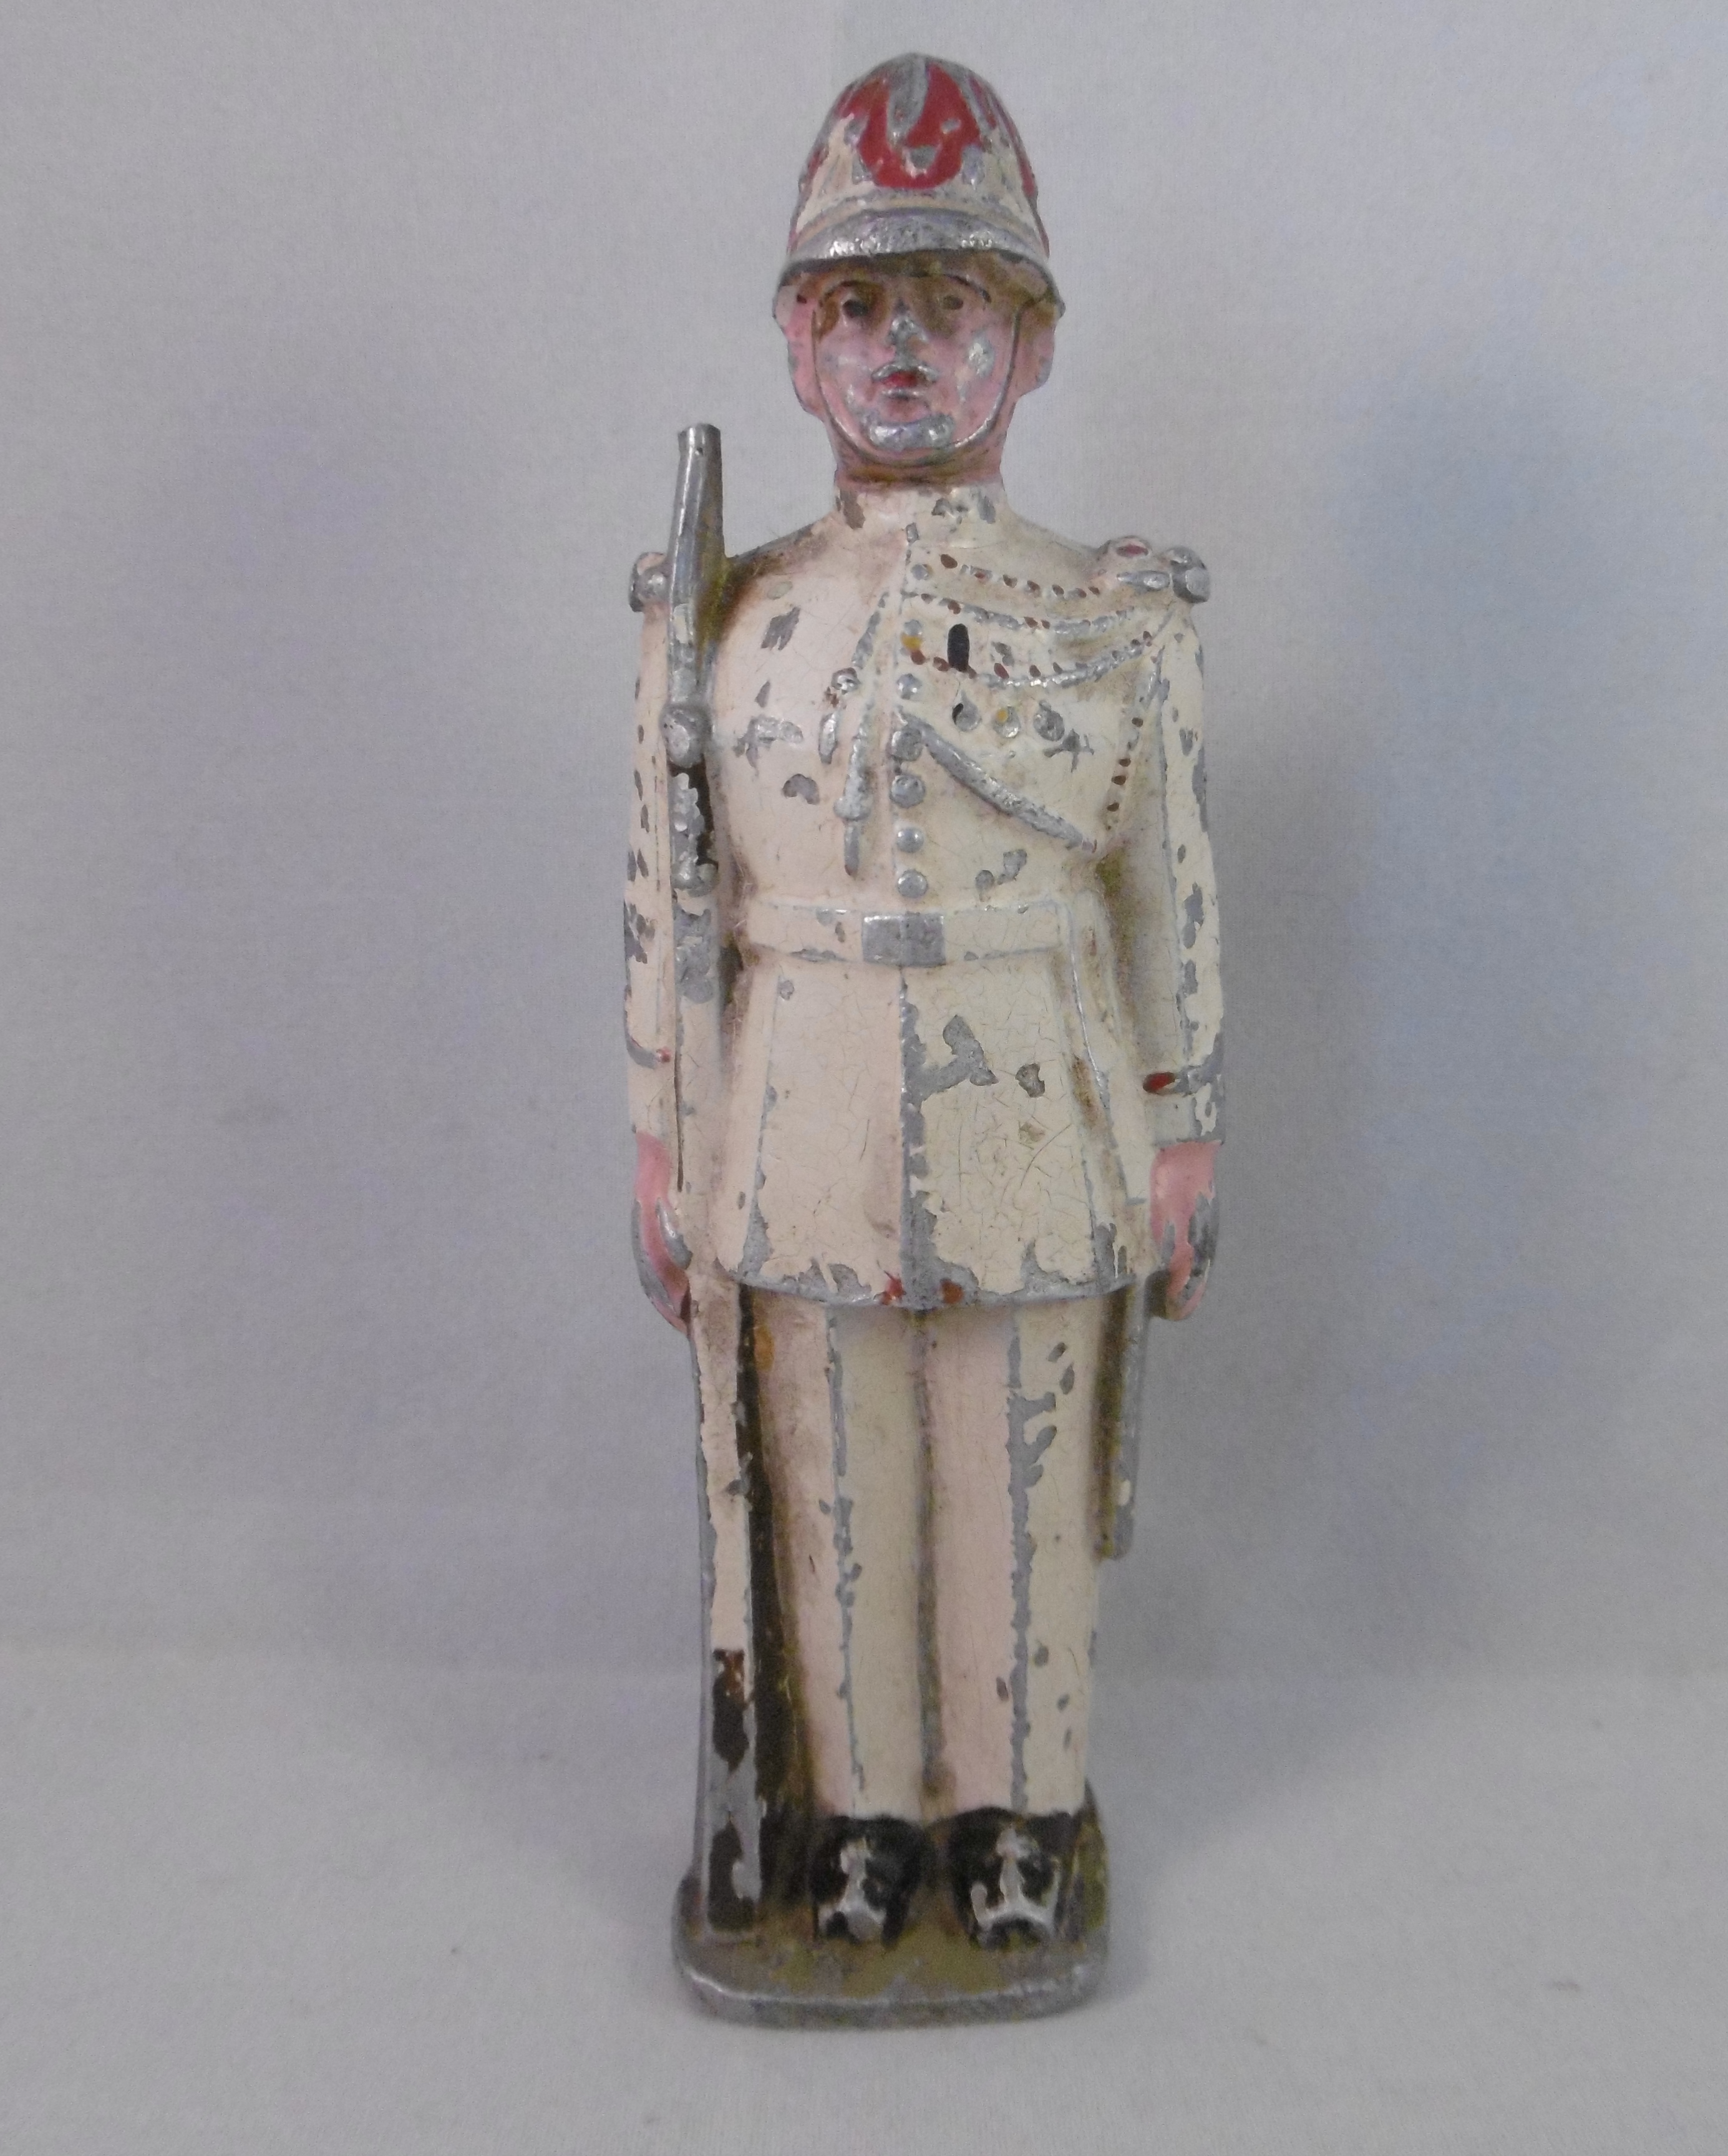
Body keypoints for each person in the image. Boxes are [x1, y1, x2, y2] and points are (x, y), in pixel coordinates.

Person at [623, 52, 1221, 2021]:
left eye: (954, 306)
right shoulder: (728, 622)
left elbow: (1165, 891)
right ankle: (866, 1822)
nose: (904, 351)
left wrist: (1184, 1121)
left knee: (1017, 1474)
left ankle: (1016, 1816)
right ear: (799, 347)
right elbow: (667, 901)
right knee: (838, 1481)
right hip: (796, 1105)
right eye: (860, 304)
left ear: (1029, 348)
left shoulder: (1106, 622)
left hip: (1034, 1096)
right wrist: (661, 1133)